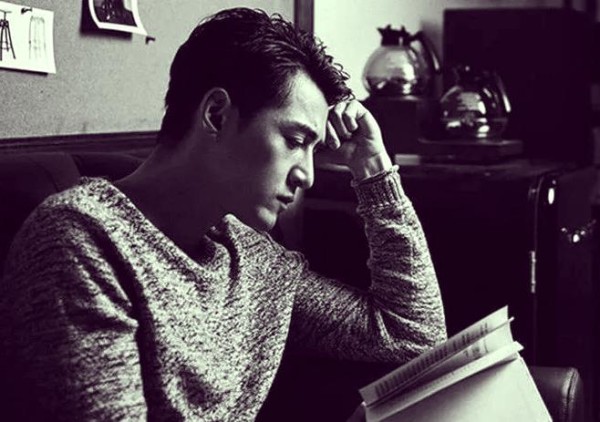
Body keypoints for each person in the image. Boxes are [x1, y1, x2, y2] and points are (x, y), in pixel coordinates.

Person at [0, 7, 446, 421]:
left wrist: (374, 168)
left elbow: (413, 336)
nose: (308, 175)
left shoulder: (252, 258)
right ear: (216, 115)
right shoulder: (81, 240)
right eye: (295, 141)